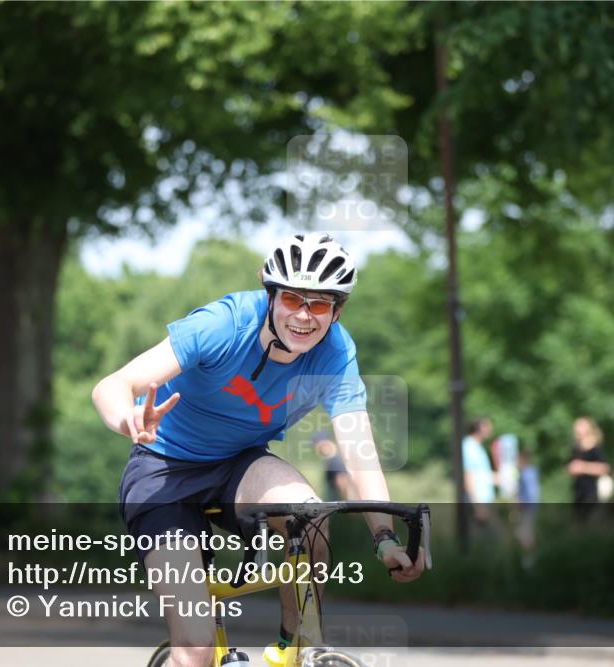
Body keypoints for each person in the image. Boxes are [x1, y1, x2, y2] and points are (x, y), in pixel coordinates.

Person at [91, 233, 424, 667]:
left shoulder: (336, 352)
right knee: (194, 649)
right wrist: (128, 420)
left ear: (337, 310)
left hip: (239, 466)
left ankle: (293, 651)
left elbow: (360, 453)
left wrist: (385, 538)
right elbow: (112, 385)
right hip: (163, 471)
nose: (304, 317)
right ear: (271, 296)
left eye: (319, 304)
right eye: (292, 299)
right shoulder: (223, 324)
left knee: (311, 518)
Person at [567, 417, 611, 504]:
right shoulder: (576, 450)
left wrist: (583, 467)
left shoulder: (595, 450)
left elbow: (605, 468)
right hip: (579, 494)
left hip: (594, 495)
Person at [462, 418, 495, 522]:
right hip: (477, 504)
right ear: (478, 428)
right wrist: (477, 506)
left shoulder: (477, 447)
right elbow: (467, 476)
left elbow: (482, 475)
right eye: (487, 426)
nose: (491, 429)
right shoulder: (469, 446)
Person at [310, 431, 352, 501]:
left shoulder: (335, 461)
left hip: (339, 505)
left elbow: (342, 482)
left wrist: (346, 505)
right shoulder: (336, 459)